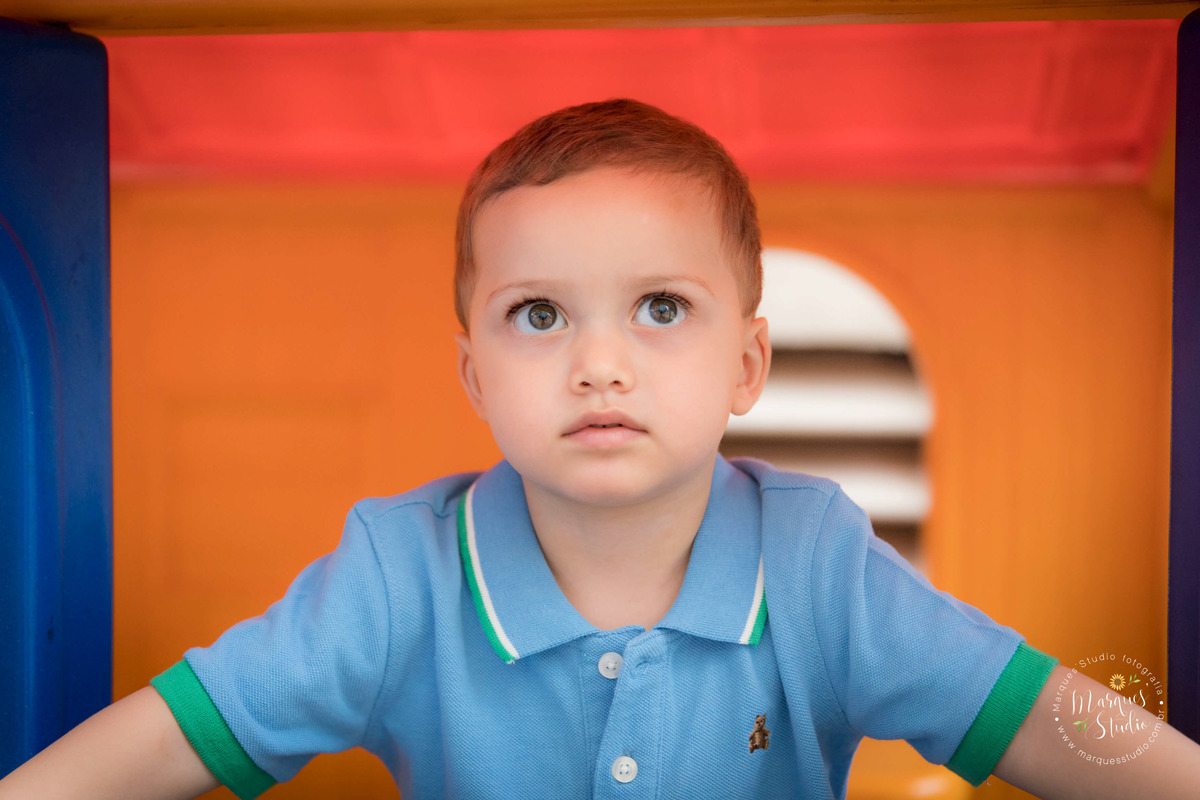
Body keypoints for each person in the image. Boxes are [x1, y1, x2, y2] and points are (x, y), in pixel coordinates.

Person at [2, 98, 1199, 800]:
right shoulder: (398, 571)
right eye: (539, 314)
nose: (600, 363)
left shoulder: (820, 559)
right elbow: (184, 729)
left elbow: (1039, 715)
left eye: (661, 309)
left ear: (749, 363)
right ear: (473, 372)